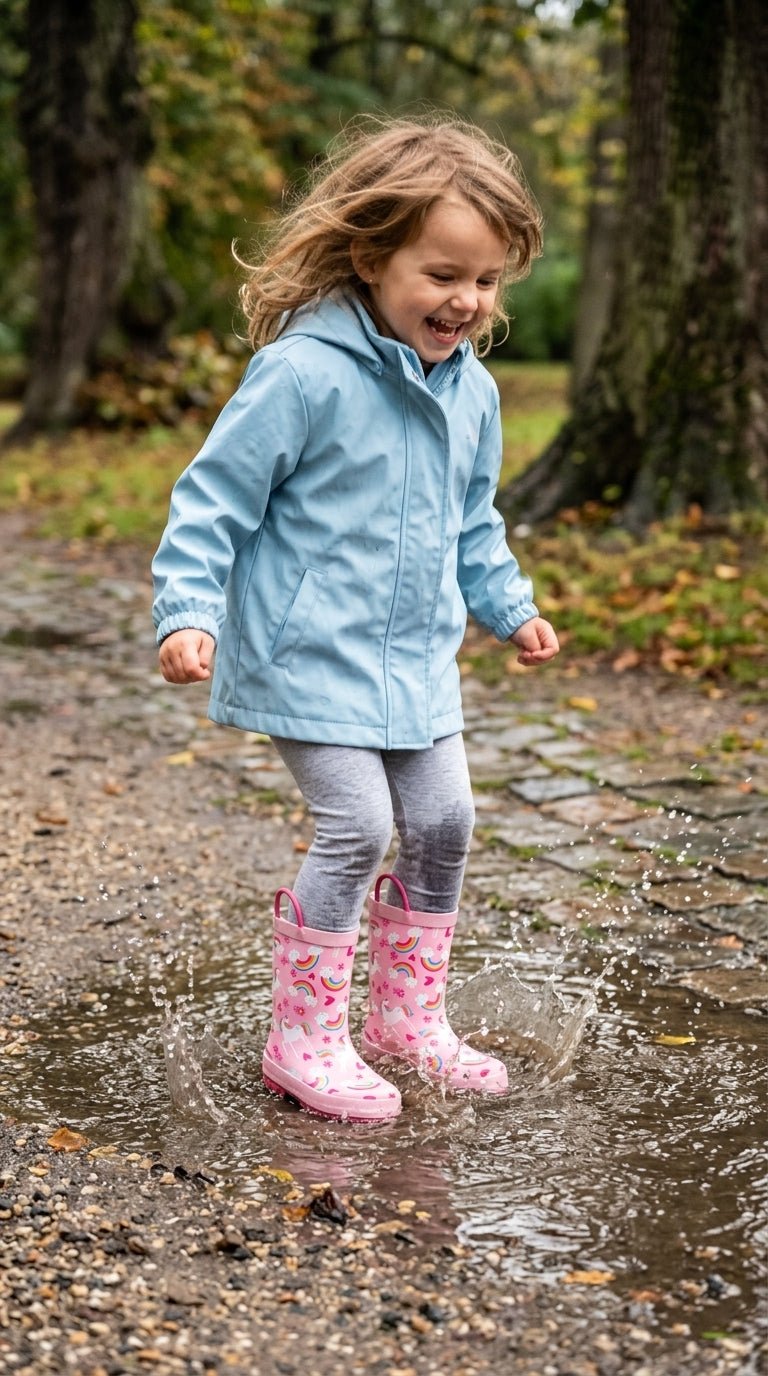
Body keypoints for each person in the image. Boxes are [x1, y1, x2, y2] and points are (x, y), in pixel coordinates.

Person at [152, 114, 559, 1124]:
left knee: (447, 820)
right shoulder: (302, 373)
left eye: (487, 280)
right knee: (359, 823)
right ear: (375, 256)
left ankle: (406, 1020)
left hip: (416, 661)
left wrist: (510, 605)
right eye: (442, 272)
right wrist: (188, 611)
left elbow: (474, 521)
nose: (466, 299)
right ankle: (303, 1036)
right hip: (308, 655)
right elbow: (214, 498)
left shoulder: (475, 395)